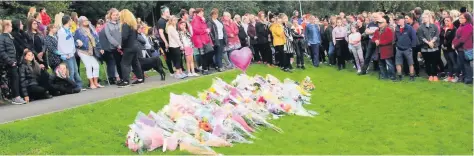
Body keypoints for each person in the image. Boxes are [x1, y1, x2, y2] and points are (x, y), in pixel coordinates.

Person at [0, 20, 27, 104]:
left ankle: (15, 96)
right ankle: (16, 97)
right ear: (6, 26)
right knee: (14, 78)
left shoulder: (8, 37)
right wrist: (10, 61)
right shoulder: (2, 37)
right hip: (8, 63)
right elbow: (2, 51)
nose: (12, 27)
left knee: (15, 78)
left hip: (13, 61)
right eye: (11, 26)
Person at [117, 9, 144, 87]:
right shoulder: (133, 25)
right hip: (135, 46)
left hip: (128, 47)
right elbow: (135, 36)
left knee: (124, 64)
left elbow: (124, 37)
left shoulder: (125, 25)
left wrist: (122, 46)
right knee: (135, 63)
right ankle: (140, 78)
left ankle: (125, 81)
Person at [75, 16, 104, 89]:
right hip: (83, 51)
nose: (86, 21)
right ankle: (91, 83)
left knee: (96, 65)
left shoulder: (91, 29)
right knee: (88, 66)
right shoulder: (78, 31)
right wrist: (78, 42)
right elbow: (74, 40)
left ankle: (96, 82)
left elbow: (97, 40)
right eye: (84, 20)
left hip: (92, 51)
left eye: (87, 20)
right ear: (81, 22)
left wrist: (100, 48)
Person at [58, 15, 83, 90]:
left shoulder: (69, 30)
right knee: (71, 71)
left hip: (71, 54)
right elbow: (60, 45)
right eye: (71, 20)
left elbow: (70, 42)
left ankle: (78, 85)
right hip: (67, 55)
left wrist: (77, 43)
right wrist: (64, 55)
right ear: (68, 21)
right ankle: (71, 87)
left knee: (75, 70)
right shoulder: (61, 32)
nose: (72, 22)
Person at [418, 12, 440, 82]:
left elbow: (437, 35)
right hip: (425, 48)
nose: (424, 19)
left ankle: (435, 75)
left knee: (434, 62)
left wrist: (432, 42)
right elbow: (421, 37)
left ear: (429, 18)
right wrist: (428, 43)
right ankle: (430, 75)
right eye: (423, 17)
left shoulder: (434, 26)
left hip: (434, 47)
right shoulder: (420, 27)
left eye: (425, 17)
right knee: (427, 62)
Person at [394, 15, 417, 81]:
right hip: (399, 48)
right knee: (398, 63)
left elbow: (414, 37)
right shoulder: (397, 28)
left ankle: (412, 76)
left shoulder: (409, 28)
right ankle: (399, 76)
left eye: (399, 20)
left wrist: (412, 47)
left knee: (410, 63)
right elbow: (395, 38)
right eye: (397, 20)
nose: (398, 21)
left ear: (403, 20)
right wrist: (396, 45)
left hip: (408, 48)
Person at [452, 13, 473, 84]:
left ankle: (468, 78)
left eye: (462, 18)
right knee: (461, 64)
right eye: (459, 18)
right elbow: (456, 37)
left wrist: (455, 45)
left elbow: (462, 39)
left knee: (466, 64)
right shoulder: (461, 26)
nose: (459, 19)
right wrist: (453, 43)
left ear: (466, 19)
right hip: (460, 48)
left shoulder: (468, 26)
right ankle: (464, 77)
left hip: (466, 48)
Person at [191, 8, 213, 75]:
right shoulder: (195, 20)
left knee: (208, 53)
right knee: (203, 55)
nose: (202, 13)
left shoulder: (201, 20)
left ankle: (205, 67)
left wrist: (207, 30)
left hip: (204, 39)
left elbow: (203, 28)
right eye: (201, 12)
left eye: (202, 12)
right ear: (197, 13)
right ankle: (204, 69)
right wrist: (205, 30)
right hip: (199, 40)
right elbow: (196, 31)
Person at [373, 15, 395, 80]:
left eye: (380, 23)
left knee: (389, 63)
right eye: (378, 23)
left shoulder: (388, 30)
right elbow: (374, 38)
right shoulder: (377, 30)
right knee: (381, 64)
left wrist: (380, 42)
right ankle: (384, 76)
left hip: (386, 50)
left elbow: (390, 40)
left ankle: (392, 76)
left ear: (385, 23)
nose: (379, 24)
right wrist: (376, 40)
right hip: (379, 50)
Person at [103, 8, 122, 84]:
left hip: (123, 46)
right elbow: (109, 37)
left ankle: (125, 77)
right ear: (110, 15)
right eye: (113, 15)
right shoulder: (107, 25)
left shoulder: (120, 23)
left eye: (117, 15)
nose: (115, 16)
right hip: (114, 48)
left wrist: (122, 44)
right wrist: (117, 45)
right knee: (118, 63)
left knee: (124, 63)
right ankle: (120, 78)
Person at [440, 16, 458, 82]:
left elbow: (452, 39)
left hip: (451, 49)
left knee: (454, 62)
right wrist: (442, 45)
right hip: (444, 49)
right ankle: (450, 76)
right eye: (445, 20)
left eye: (448, 20)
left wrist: (446, 45)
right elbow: (441, 38)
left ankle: (456, 76)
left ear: (451, 21)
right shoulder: (443, 28)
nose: (446, 22)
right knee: (449, 62)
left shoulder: (454, 29)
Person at [157, 6, 174, 76]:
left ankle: (176, 68)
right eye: (167, 12)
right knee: (168, 56)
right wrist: (166, 42)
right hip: (164, 42)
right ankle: (171, 71)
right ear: (163, 13)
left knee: (173, 55)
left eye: (169, 11)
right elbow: (161, 33)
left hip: (170, 40)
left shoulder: (168, 20)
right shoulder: (161, 21)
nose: (169, 13)